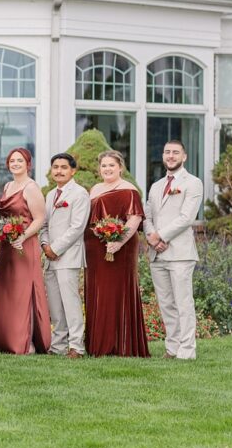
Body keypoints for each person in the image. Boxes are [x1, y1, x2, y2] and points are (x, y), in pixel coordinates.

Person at [83, 150, 150, 358]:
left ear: (120, 167)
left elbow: (135, 219)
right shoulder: (94, 189)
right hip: (95, 249)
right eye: (104, 166)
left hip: (121, 249)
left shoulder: (129, 189)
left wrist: (118, 242)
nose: (107, 169)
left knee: (117, 291)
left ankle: (121, 344)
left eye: (112, 165)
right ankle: (98, 344)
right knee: (98, 291)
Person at [143, 140, 204, 360]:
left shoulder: (193, 183)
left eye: (175, 152)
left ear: (184, 157)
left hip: (180, 253)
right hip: (157, 253)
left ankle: (187, 351)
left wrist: (161, 236)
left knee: (183, 302)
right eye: (167, 152)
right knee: (166, 303)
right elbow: (147, 216)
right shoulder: (156, 186)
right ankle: (172, 348)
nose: (171, 156)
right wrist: (152, 238)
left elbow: (187, 217)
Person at [0, 147, 51, 354]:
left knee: (22, 291)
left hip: (24, 243)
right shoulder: (8, 185)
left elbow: (40, 218)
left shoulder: (31, 187)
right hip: (7, 244)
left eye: (20, 161)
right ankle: (4, 339)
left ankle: (26, 342)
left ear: (28, 164)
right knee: (5, 290)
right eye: (12, 161)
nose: (15, 164)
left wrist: (23, 236)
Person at [40, 152, 91, 358]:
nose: (59, 171)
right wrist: (45, 245)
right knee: (55, 304)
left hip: (68, 256)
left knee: (70, 303)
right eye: (55, 167)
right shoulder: (51, 195)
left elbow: (77, 227)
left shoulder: (79, 194)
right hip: (49, 257)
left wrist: (56, 248)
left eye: (63, 167)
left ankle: (76, 346)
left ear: (73, 170)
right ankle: (58, 345)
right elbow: (44, 225)